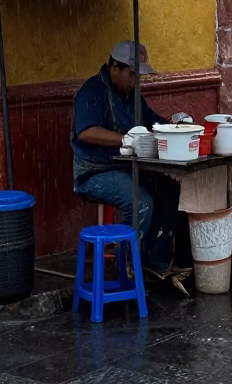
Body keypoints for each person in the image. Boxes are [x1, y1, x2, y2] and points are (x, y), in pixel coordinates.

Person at [71, 40, 181, 279]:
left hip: (129, 167)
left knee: (169, 188)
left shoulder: (132, 95)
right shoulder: (92, 91)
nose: (136, 81)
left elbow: (152, 120)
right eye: (132, 74)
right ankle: (128, 268)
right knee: (140, 202)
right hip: (94, 172)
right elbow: (86, 131)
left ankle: (156, 262)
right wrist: (126, 139)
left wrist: (174, 127)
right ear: (115, 69)